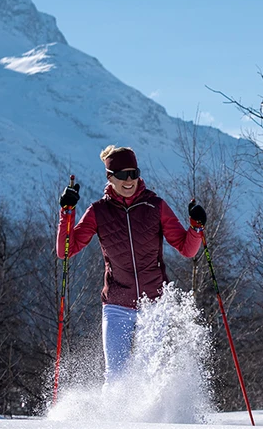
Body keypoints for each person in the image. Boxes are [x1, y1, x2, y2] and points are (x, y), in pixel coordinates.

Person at [56, 145, 207, 381]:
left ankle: (155, 417)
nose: (129, 180)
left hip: (154, 303)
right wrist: (67, 212)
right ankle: (115, 418)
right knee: (115, 374)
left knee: (151, 373)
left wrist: (196, 227)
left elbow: (187, 249)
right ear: (110, 177)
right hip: (117, 304)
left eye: (134, 174)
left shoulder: (155, 206)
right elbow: (66, 250)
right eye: (122, 175)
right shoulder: (98, 211)